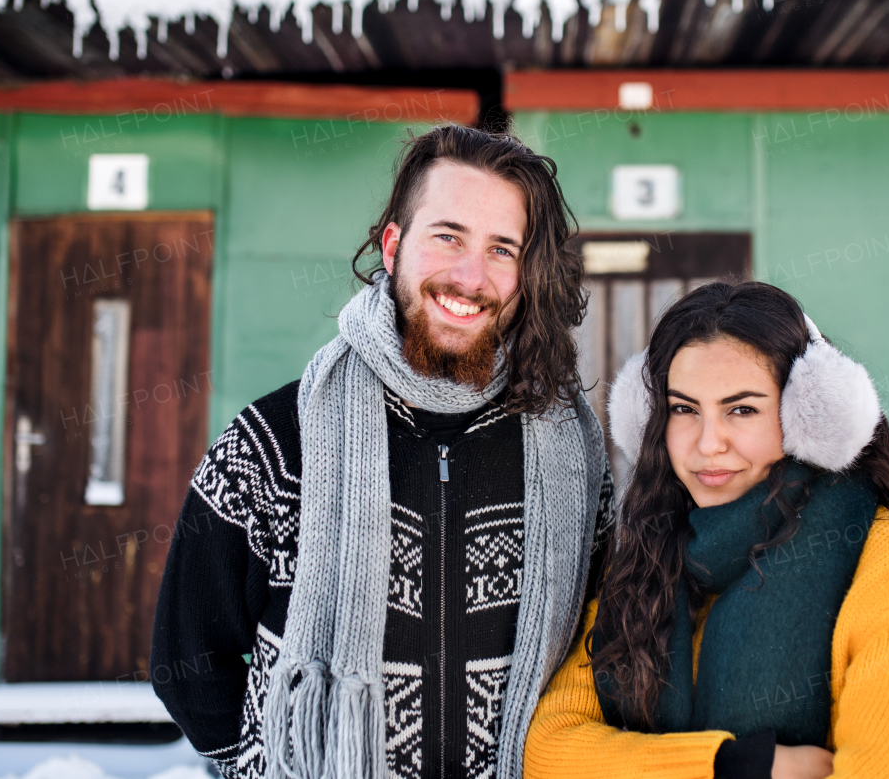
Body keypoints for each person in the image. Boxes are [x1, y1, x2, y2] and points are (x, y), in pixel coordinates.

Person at [151, 125, 614, 779]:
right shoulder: (275, 442)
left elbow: (592, 655)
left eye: (501, 249)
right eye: (447, 236)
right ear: (393, 246)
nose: (470, 275)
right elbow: (187, 657)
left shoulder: (572, 454)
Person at [524, 280, 889, 779]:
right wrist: (732, 766)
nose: (708, 443)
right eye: (683, 409)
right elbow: (550, 753)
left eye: (742, 409)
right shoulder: (649, 557)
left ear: (809, 417)